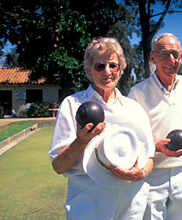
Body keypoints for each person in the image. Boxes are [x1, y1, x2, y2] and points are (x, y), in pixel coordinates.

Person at [49, 37, 155, 220]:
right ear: (89, 71)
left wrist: (142, 173)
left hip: (131, 203)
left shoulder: (134, 108)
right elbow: (59, 166)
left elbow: (150, 156)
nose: (107, 71)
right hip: (89, 204)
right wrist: (81, 141)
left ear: (120, 71)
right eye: (100, 66)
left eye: (113, 65)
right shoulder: (72, 105)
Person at [128, 33, 182, 220]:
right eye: (164, 54)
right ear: (153, 58)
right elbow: (131, 137)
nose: (171, 60)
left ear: (181, 57)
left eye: (175, 54)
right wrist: (155, 146)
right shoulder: (137, 93)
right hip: (152, 175)